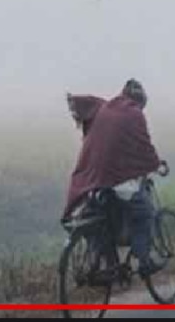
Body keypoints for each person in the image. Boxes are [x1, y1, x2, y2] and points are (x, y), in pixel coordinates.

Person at [64, 79, 165, 278]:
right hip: (115, 178)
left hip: (90, 179)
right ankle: (144, 260)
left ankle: (100, 260)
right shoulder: (134, 114)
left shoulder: (104, 108)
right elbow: (144, 146)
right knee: (145, 212)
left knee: (99, 216)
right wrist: (155, 164)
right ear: (140, 101)